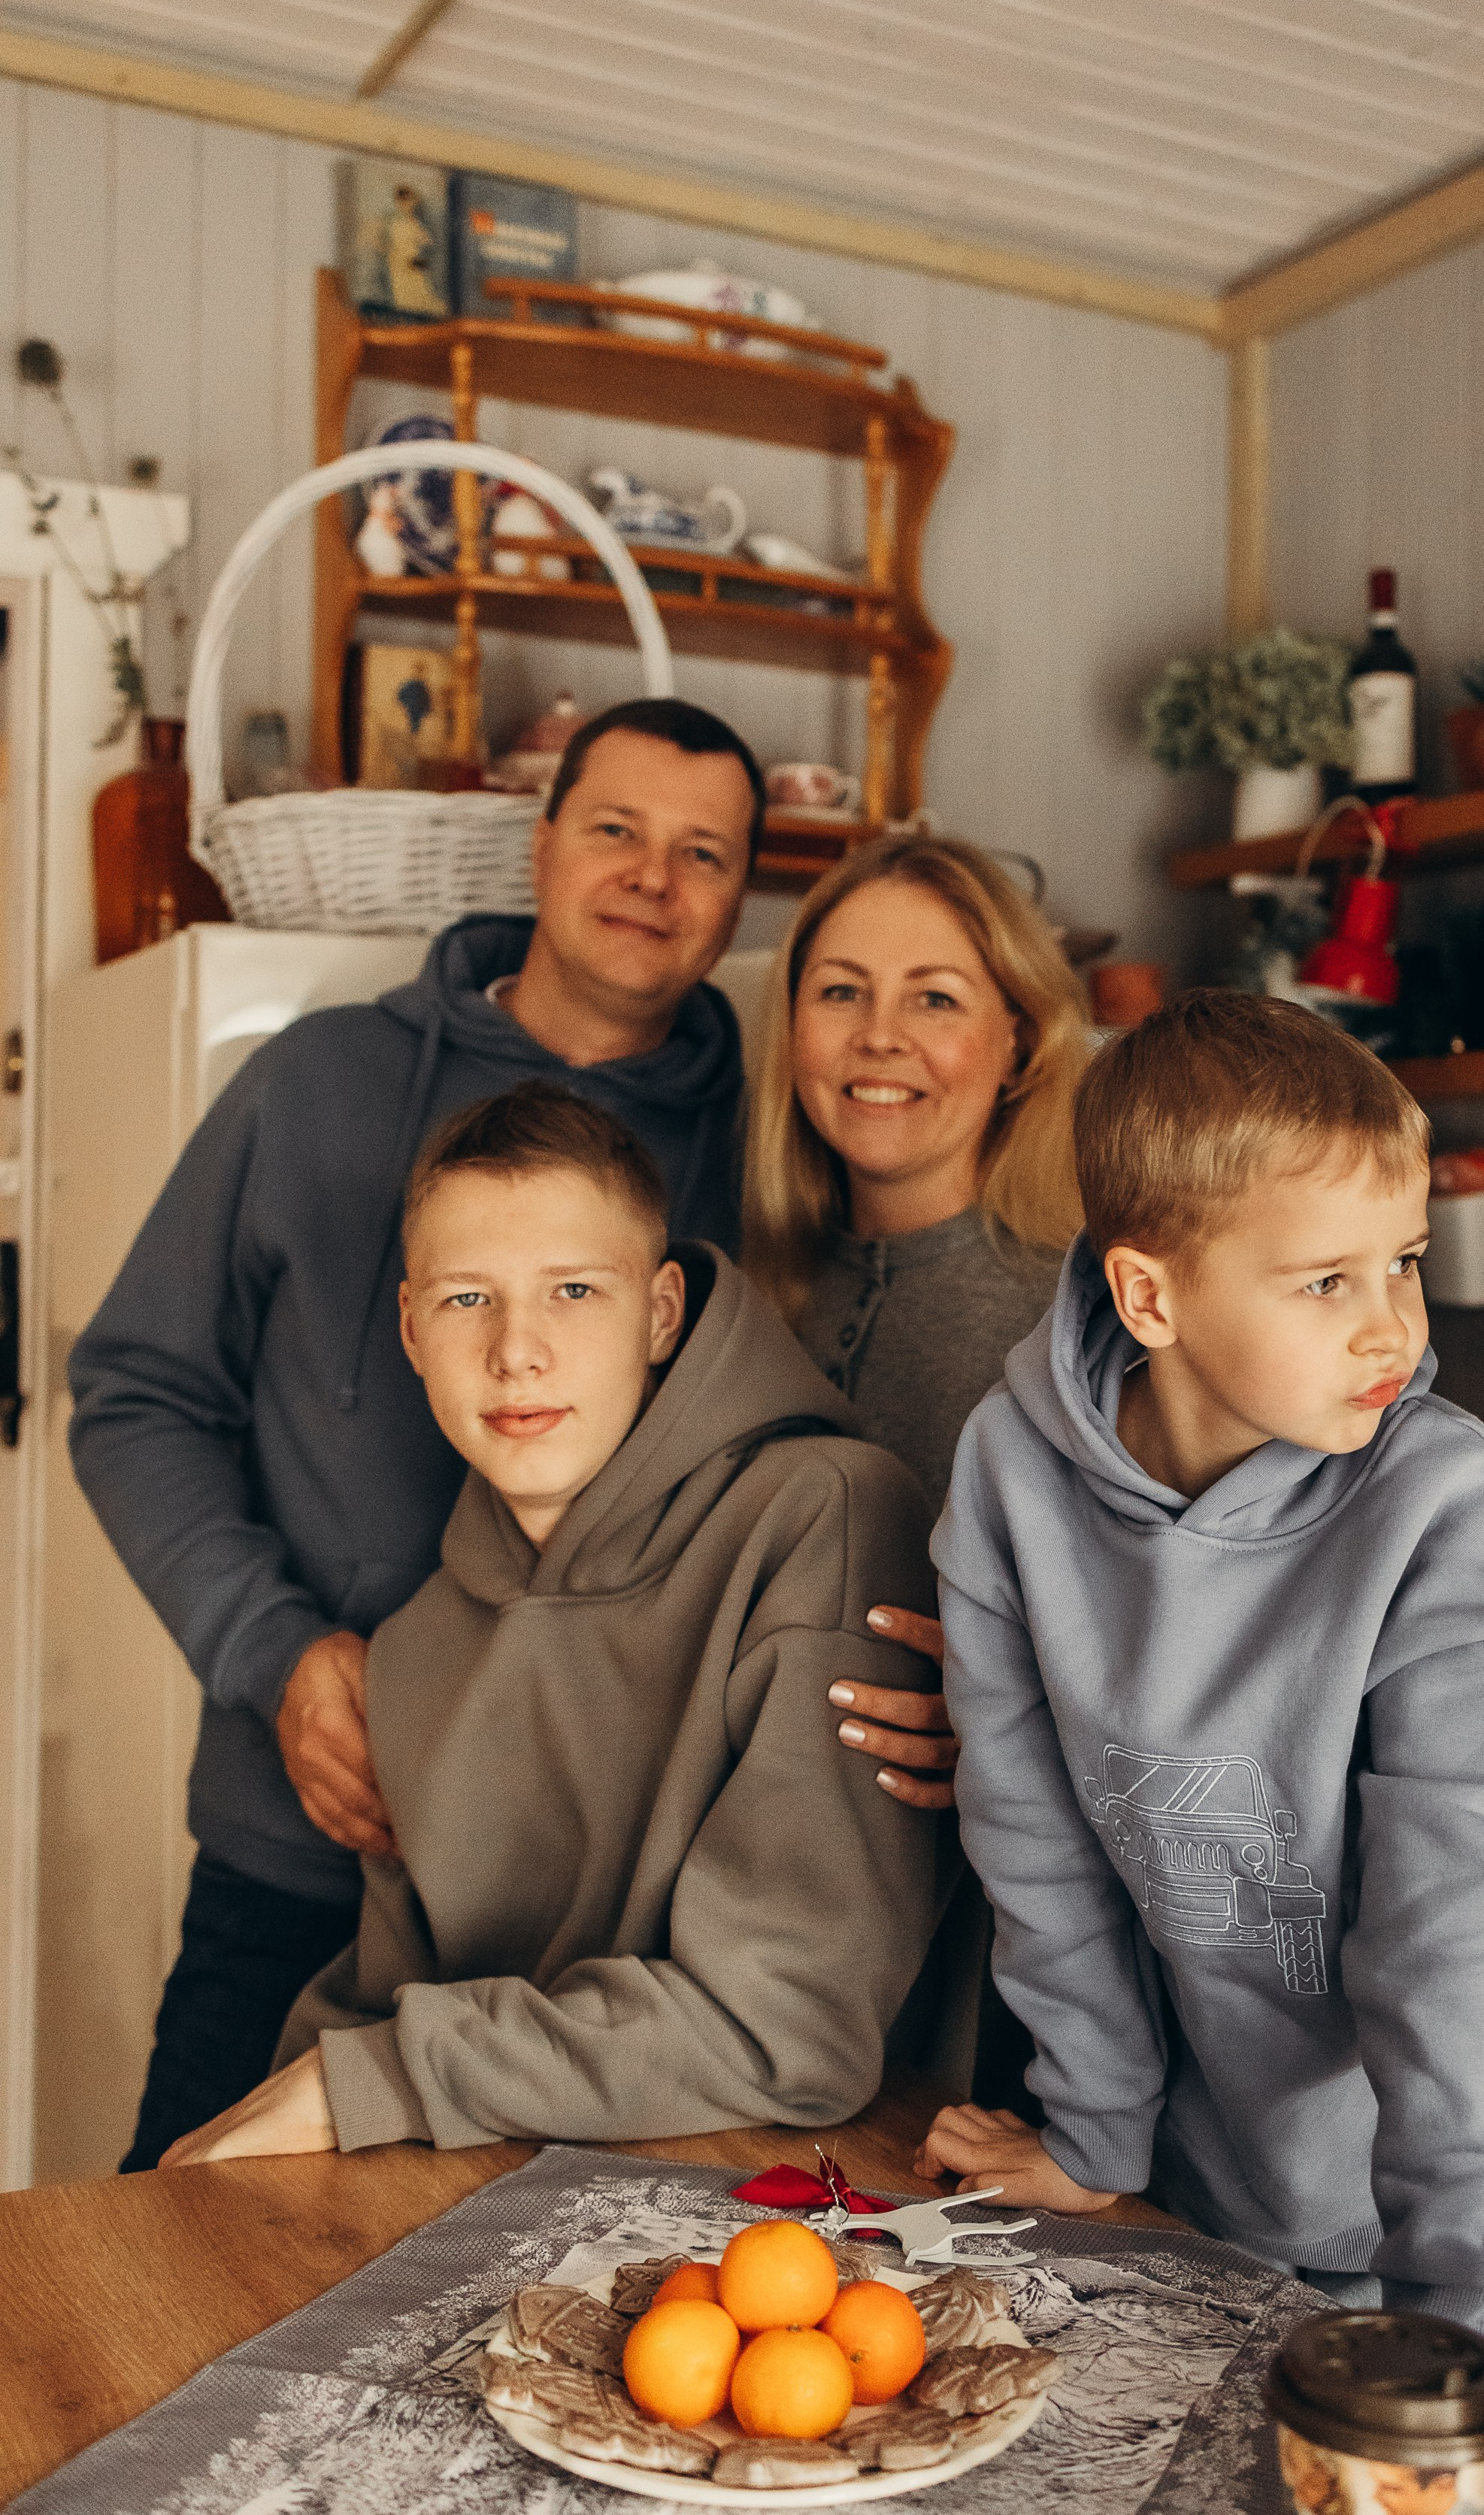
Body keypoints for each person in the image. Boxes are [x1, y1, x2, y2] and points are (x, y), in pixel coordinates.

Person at [69, 697, 766, 2170]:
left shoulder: (771, 1154)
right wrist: (278, 1654)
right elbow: (138, 1395)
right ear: (542, 845)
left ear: (739, 899)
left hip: (606, 1911)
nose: (654, 875)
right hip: (304, 1846)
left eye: (704, 852)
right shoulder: (315, 1086)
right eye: (618, 830)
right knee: (165, 2279)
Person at [920, 989, 1484, 2350]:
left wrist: (1462, 2321)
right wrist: (1100, 2136)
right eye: (1325, 1282)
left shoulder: (1442, 1503)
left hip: (1480, 2182)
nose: (1391, 1331)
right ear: (1148, 1295)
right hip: (1222, 2173)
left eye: (1402, 1261)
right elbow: (1036, 1840)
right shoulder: (1008, 1473)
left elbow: (1453, 1940)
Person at [159, 1084, 948, 2164]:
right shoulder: (417, 1647)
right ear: (408, 1329)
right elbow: (380, 2013)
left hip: (806, 2211)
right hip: (515, 2207)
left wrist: (378, 2080)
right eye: (466, 1300)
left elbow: (791, 2030)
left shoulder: (824, 1518)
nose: (516, 1352)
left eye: (573, 1290)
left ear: (662, 1311)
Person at [744, 832, 1087, 1826]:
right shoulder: (745, 1301)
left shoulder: (1088, 1320)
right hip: (769, 1871)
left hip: (998, 1917)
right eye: (841, 993)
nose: (878, 1037)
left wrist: (1020, 1722)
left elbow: (1208, 1628)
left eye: (934, 997)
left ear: (1018, 1041)